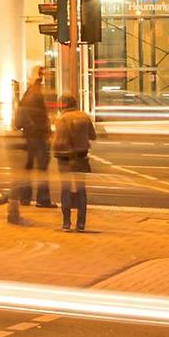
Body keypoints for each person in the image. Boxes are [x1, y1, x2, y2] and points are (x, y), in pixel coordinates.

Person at [51, 91, 98, 232]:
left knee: (65, 189)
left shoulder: (62, 119)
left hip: (65, 159)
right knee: (81, 190)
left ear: (62, 105)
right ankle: (81, 224)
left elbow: (58, 142)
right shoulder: (84, 116)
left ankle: (66, 224)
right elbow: (92, 136)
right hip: (82, 157)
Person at [11, 70, 52, 223]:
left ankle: (25, 197)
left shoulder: (29, 93)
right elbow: (38, 115)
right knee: (42, 168)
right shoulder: (36, 93)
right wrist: (42, 129)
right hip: (37, 136)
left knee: (28, 169)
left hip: (30, 136)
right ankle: (43, 199)